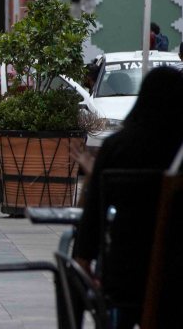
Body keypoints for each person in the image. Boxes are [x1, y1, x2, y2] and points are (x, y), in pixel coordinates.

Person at [73, 67, 183, 328]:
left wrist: (84, 258)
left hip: (124, 275)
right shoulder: (178, 153)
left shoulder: (117, 147)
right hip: (176, 274)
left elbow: (92, 217)